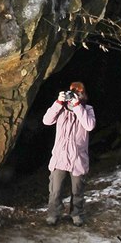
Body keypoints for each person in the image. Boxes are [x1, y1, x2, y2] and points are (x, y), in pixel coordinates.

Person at [42, 82, 96, 226]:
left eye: (79, 92)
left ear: (84, 94)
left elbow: (89, 125)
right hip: (60, 156)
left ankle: (76, 213)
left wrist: (77, 105)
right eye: (73, 92)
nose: (76, 95)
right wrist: (58, 102)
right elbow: (46, 121)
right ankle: (53, 213)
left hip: (78, 157)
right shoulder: (60, 109)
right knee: (55, 189)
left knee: (77, 189)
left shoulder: (88, 110)